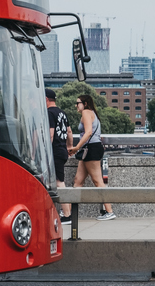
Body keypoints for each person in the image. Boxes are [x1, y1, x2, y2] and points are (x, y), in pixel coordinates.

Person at [69, 94, 115, 222]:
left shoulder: (86, 113)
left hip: (91, 149)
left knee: (97, 181)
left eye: (78, 103)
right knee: (78, 181)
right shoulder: (91, 113)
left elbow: (88, 132)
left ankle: (109, 211)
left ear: (85, 103)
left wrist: (77, 147)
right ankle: (70, 213)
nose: (76, 105)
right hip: (90, 149)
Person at [46, 89, 73, 224]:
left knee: (59, 182)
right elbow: (69, 131)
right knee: (59, 180)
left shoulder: (49, 113)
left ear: (46, 99)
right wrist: (69, 146)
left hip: (54, 151)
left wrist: (47, 152)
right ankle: (67, 213)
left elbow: (50, 134)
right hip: (62, 149)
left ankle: (67, 215)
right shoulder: (62, 113)